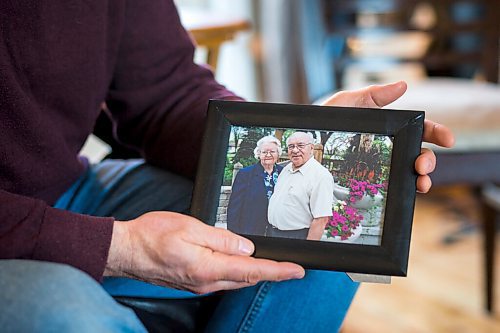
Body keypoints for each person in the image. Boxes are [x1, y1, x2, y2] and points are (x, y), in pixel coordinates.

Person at [0, 1, 455, 332]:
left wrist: (305, 125)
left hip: (66, 185)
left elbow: (165, 92)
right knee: (61, 314)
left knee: (335, 244)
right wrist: (119, 248)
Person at [268, 132, 334, 240]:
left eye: (300, 146)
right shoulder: (286, 169)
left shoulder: (321, 176)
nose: (295, 150)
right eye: (291, 146)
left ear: (311, 148)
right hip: (273, 233)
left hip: (296, 237)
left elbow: (321, 219)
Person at [227, 135, 284, 236]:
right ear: (258, 153)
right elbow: (235, 206)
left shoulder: (284, 173)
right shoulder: (245, 174)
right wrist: (233, 233)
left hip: (277, 230)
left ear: (278, 153)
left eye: (272, 151)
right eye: (264, 152)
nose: (268, 154)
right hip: (251, 228)